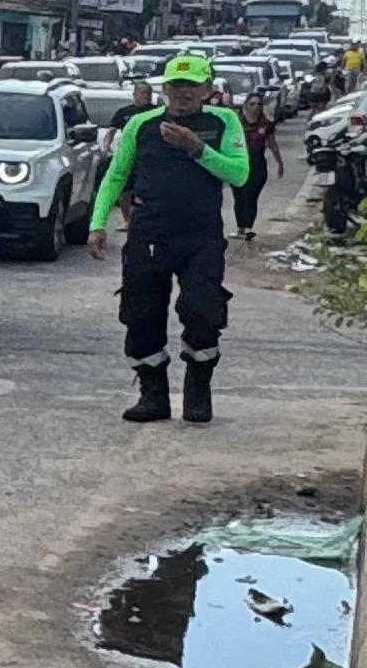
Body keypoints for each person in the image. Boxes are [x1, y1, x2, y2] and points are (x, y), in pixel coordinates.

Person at [88, 48, 250, 424]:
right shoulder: (141, 125)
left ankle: (197, 392)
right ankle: (153, 395)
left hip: (201, 237)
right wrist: (98, 223)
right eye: (176, 84)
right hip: (149, 234)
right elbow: (115, 176)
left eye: (192, 85)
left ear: (208, 88)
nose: (183, 92)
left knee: (203, 312)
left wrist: (196, 148)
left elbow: (239, 174)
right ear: (165, 88)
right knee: (140, 314)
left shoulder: (223, 121)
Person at [228, 67, 285, 243]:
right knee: (240, 196)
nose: (256, 107)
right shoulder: (237, 122)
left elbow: (272, 143)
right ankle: (240, 227)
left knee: (251, 195)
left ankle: (248, 228)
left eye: (259, 104)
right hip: (239, 162)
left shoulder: (266, 124)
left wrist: (280, 162)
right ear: (246, 105)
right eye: (252, 104)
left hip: (257, 163)